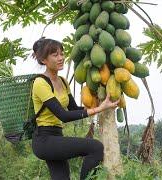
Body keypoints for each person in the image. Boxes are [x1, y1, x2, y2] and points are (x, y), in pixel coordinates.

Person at [31, 37, 120, 180]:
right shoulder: (40, 83)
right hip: (44, 140)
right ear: (43, 60)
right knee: (95, 147)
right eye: (55, 55)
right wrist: (99, 109)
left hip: (56, 137)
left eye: (61, 53)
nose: (61, 58)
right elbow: (64, 116)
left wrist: (99, 102)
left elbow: (73, 109)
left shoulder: (63, 82)